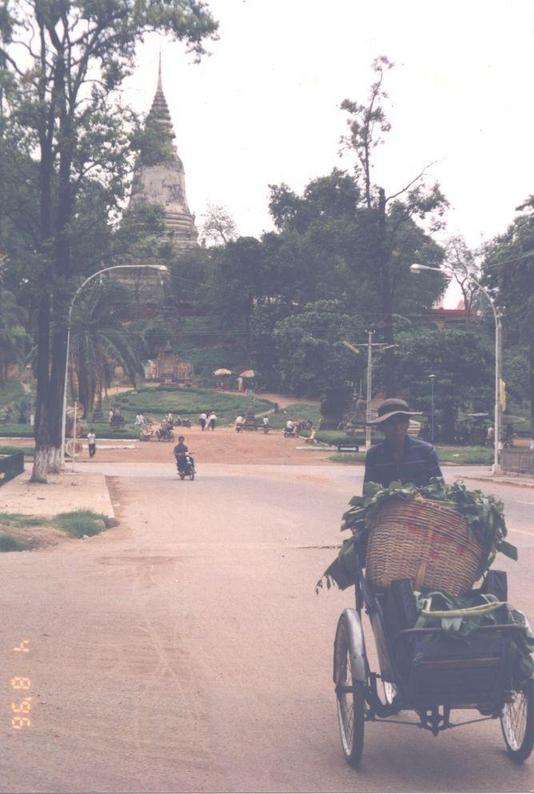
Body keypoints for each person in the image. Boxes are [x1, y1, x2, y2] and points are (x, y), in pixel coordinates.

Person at [363, 398, 443, 491]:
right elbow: (369, 492)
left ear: (408, 424)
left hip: (422, 504)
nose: (397, 427)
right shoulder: (373, 455)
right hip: (388, 505)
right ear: (382, 426)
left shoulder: (426, 451)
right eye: (391, 423)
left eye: (401, 422)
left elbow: (439, 488)